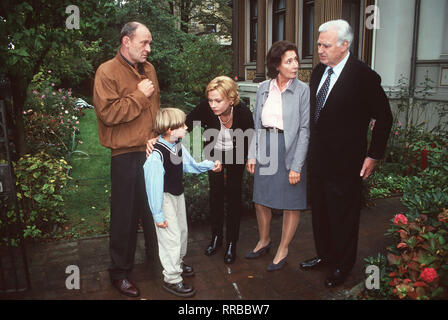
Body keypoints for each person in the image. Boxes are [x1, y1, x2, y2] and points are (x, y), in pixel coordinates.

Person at [300, 19, 393, 288]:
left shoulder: (363, 76)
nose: (320, 49)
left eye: (325, 45)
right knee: (321, 213)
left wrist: (373, 155)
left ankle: (343, 264)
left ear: (344, 45)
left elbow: (384, 118)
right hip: (319, 161)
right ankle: (325, 255)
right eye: (318, 44)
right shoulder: (319, 72)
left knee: (343, 216)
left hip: (346, 164)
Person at [93, 21, 160, 298]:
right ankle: (119, 273)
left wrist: (156, 135)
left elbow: (155, 108)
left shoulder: (149, 69)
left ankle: (160, 261)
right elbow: (108, 114)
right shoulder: (106, 72)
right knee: (125, 217)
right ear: (126, 41)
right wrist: (139, 95)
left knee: (155, 210)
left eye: (150, 43)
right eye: (144, 42)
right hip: (125, 156)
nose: (148, 48)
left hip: (151, 150)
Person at [246, 41, 310, 271]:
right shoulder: (264, 87)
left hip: (290, 147)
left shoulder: (303, 89)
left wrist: (296, 166)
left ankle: (283, 247)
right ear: (276, 65)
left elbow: (304, 129)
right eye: (289, 61)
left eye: (296, 60)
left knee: (291, 202)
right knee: (260, 198)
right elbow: (256, 124)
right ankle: (264, 240)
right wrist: (252, 154)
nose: (296, 65)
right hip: (265, 146)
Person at [144, 108, 221, 297]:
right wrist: (158, 214)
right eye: (182, 125)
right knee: (170, 237)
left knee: (182, 232)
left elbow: (188, 165)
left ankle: (177, 263)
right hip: (164, 199)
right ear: (170, 129)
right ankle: (172, 278)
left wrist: (210, 165)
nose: (186, 127)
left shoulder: (177, 145)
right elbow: (153, 188)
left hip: (178, 195)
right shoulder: (156, 156)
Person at [185, 76, 254, 264]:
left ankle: (232, 242)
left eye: (218, 101)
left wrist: (249, 158)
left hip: (237, 154)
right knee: (215, 195)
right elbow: (186, 125)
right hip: (213, 153)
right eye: (210, 100)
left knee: (233, 196)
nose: (213, 105)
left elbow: (250, 139)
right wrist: (165, 138)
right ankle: (216, 238)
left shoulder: (243, 114)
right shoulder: (206, 109)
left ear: (231, 100)